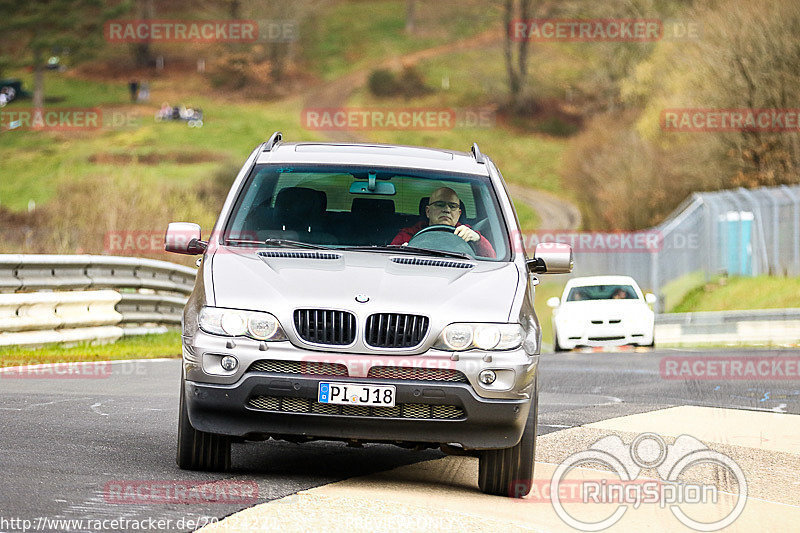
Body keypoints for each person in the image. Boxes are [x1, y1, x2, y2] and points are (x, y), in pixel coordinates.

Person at [391, 187, 496, 257]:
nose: (447, 210)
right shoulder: (409, 234)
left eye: (452, 206)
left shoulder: (468, 234)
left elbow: (493, 259)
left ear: (459, 214)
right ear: (428, 211)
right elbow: (390, 257)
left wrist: (478, 239)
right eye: (440, 205)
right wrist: (402, 251)